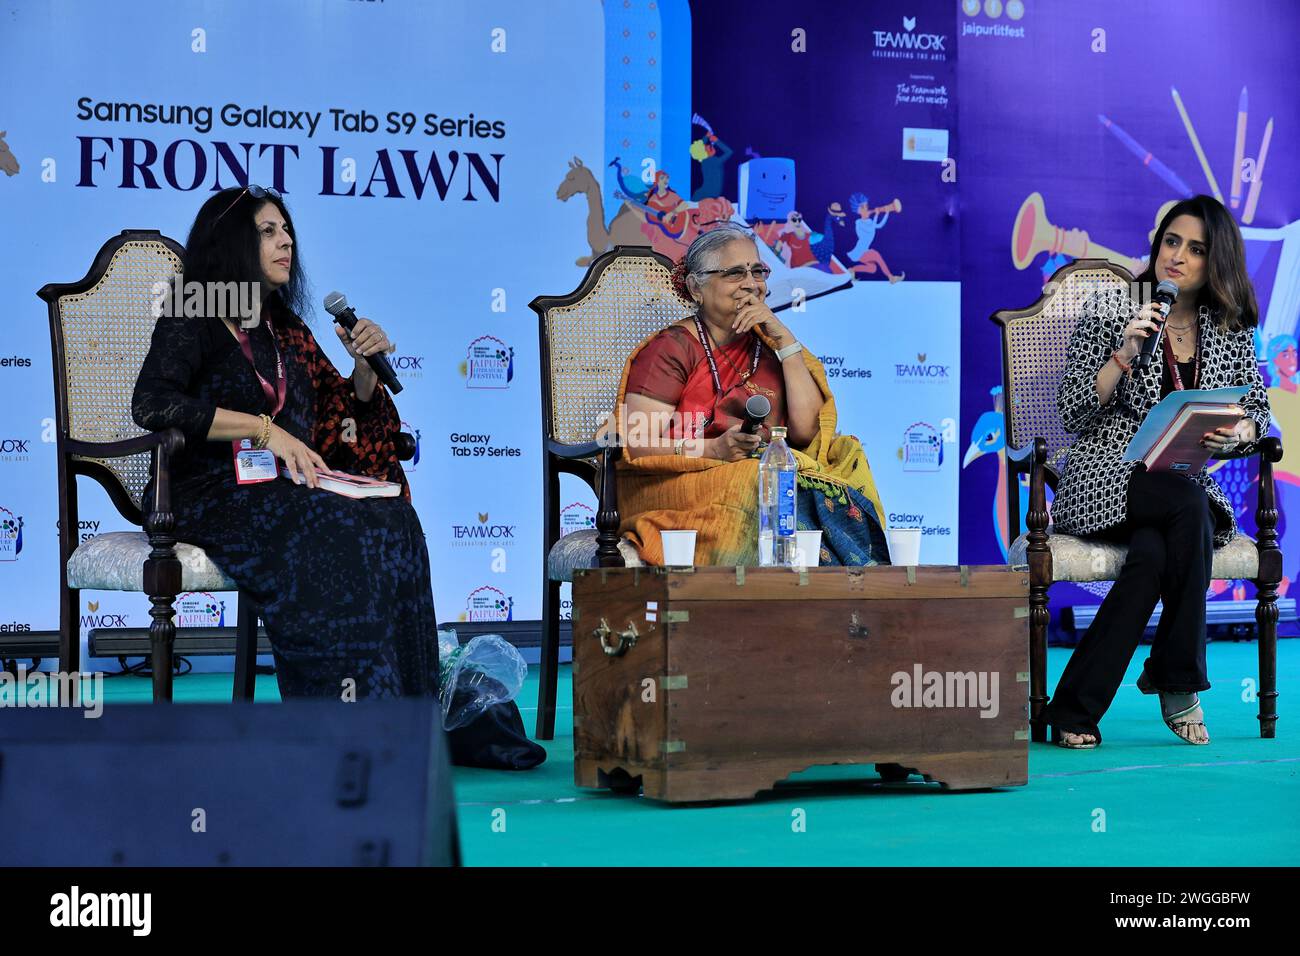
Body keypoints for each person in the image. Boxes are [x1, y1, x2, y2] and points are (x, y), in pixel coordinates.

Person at [132, 185, 440, 700]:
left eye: (287, 229)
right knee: (331, 525)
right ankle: (343, 717)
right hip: (207, 492)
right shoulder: (194, 310)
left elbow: (338, 430)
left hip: (278, 490)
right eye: (268, 231)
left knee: (394, 519)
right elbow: (154, 403)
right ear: (231, 243)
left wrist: (364, 370)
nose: (287, 241)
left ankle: (409, 714)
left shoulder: (285, 327)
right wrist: (262, 428)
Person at [1043, 195, 1270, 748]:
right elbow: (1073, 412)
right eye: (1171, 242)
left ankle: (1072, 709)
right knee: (1187, 508)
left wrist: (1236, 433)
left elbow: (1258, 410)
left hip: (1175, 483)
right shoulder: (1114, 307)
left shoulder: (1227, 325)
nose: (1178, 257)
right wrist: (1123, 352)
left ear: (1214, 262)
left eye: (1195, 249)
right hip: (1107, 476)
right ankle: (1178, 680)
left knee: (1153, 555)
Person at [614, 223, 890, 567]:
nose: (751, 283)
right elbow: (636, 443)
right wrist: (713, 449)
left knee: (846, 455)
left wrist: (786, 342)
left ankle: (850, 592)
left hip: (754, 475)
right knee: (760, 478)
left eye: (757, 271)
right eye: (734, 273)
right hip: (672, 483)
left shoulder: (769, 347)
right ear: (695, 288)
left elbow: (807, 434)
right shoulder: (672, 349)